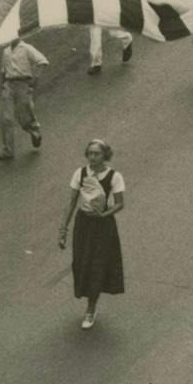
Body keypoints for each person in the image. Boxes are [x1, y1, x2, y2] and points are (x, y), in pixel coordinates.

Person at [59, 140, 126, 331]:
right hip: (83, 225)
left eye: (97, 154)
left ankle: (91, 308)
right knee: (82, 263)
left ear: (105, 155)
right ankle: (89, 299)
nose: (93, 157)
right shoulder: (80, 174)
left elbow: (120, 203)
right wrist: (63, 229)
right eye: (90, 153)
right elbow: (72, 202)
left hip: (103, 227)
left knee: (98, 264)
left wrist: (104, 215)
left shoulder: (114, 176)